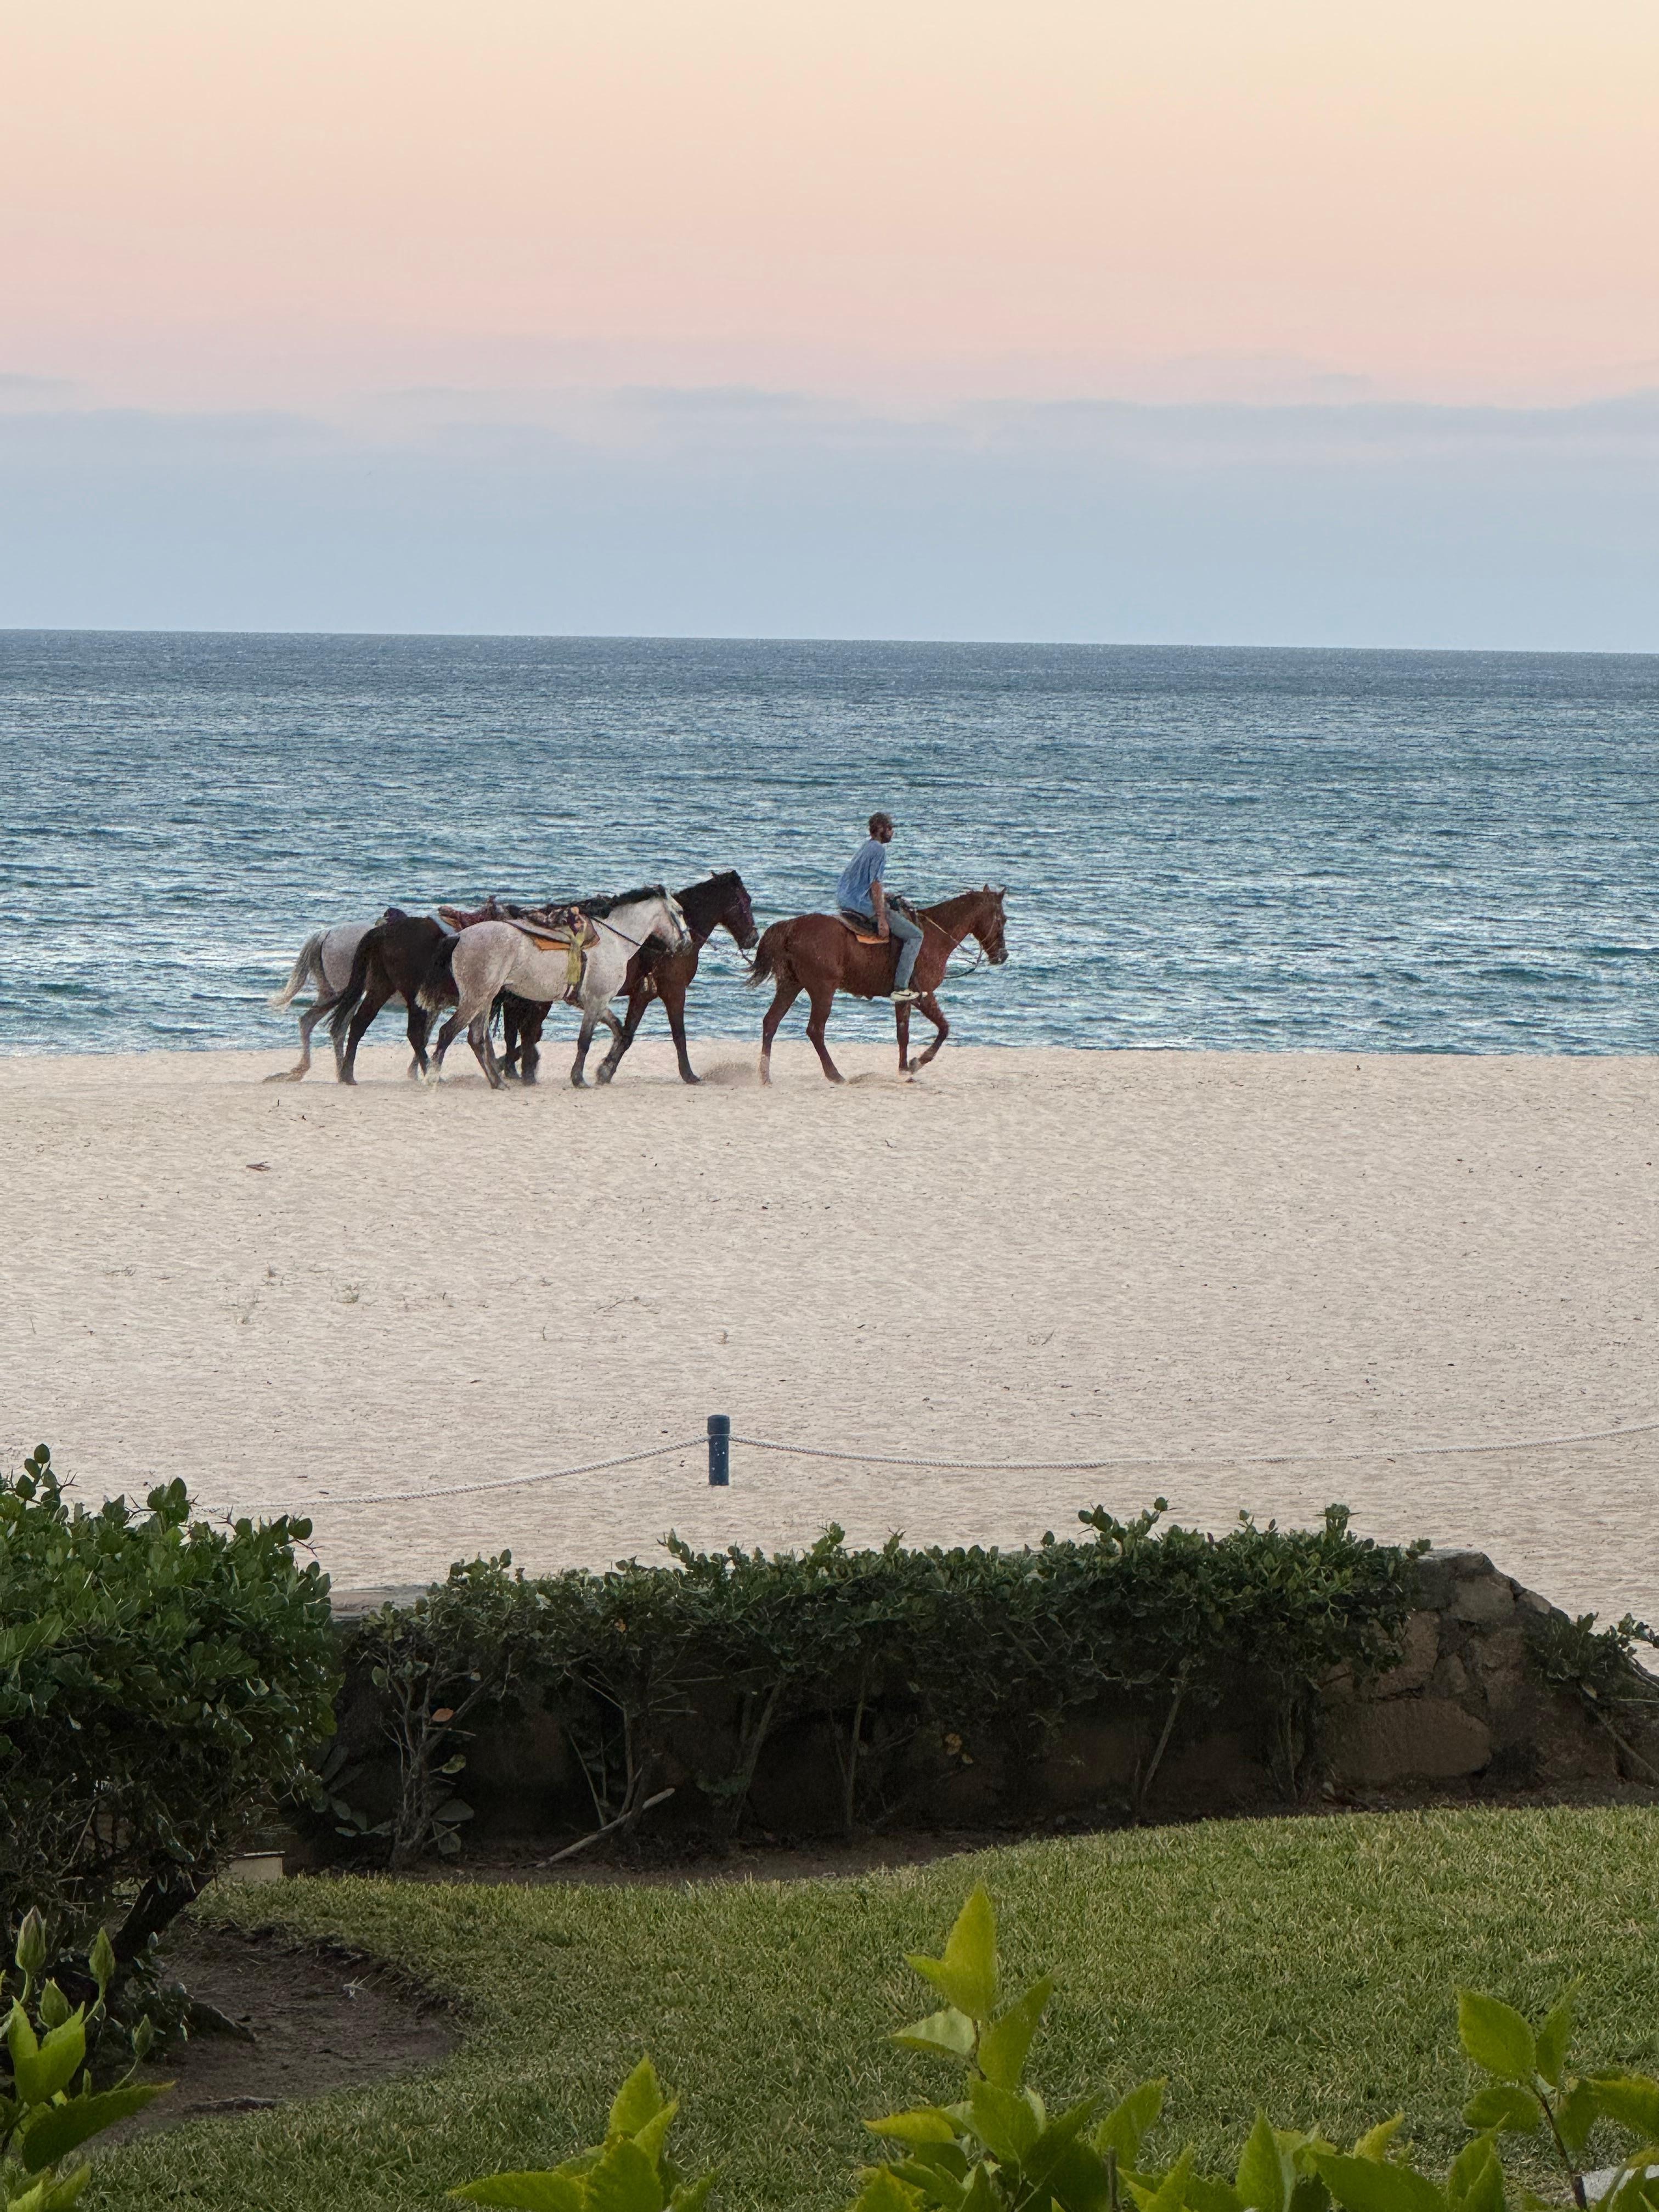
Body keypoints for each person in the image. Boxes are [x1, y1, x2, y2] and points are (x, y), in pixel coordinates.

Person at [836, 810, 922, 1002]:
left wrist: (885, 895)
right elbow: (875, 884)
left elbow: (864, 881)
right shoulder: (879, 850)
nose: (892, 833)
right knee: (916, 935)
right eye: (890, 828)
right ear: (881, 829)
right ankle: (901, 987)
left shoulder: (866, 847)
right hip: (860, 904)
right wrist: (882, 918)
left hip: (846, 900)